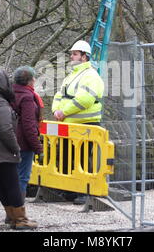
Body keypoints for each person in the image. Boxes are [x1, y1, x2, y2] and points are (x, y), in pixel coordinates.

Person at [51, 40, 105, 205]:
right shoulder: (71, 76)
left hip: (86, 125)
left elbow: (85, 99)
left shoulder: (91, 76)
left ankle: (84, 192)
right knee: (67, 157)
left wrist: (63, 112)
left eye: (75, 53)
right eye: (71, 53)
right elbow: (59, 95)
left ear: (84, 56)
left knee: (81, 159)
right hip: (69, 125)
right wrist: (56, 110)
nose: (71, 56)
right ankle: (70, 190)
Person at [0, 69, 36, 230]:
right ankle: (20, 219)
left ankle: (12, 216)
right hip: (2, 151)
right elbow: (5, 129)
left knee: (2, 185)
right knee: (13, 185)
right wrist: (15, 148)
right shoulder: (0, 103)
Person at [12, 66, 43, 226]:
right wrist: (38, 147)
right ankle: (19, 218)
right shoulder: (27, 97)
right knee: (22, 179)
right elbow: (29, 126)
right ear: (31, 80)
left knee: (11, 179)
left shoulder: (10, 94)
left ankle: (11, 215)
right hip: (23, 144)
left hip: (9, 142)